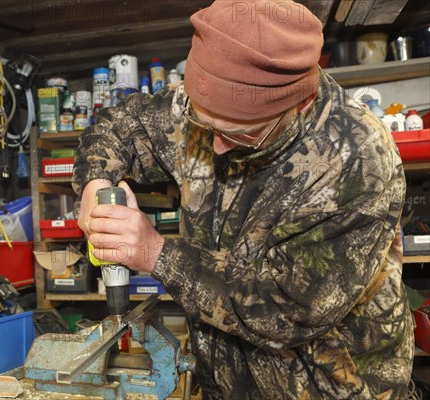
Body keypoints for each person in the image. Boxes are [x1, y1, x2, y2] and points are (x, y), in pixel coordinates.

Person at [72, 0, 414, 398]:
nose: (216, 147)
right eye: (205, 124)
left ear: (296, 105)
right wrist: (96, 180)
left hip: (330, 388)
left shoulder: (357, 158)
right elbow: (122, 125)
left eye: (238, 136)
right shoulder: (209, 107)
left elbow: (289, 310)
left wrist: (155, 252)